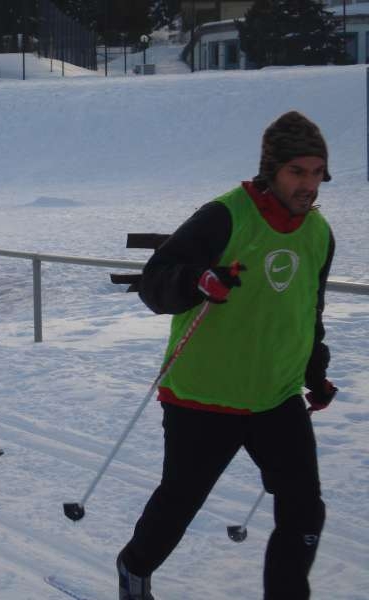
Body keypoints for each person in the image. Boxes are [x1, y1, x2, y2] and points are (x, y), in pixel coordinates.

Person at [116, 111, 338, 600]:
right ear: (271, 170)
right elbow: (155, 284)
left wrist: (314, 373)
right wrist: (197, 282)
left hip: (276, 396)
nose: (308, 185)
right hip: (204, 395)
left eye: (316, 172)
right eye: (296, 172)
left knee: (304, 510)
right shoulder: (224, 215)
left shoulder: (319, 234)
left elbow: (307, 312)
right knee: (181, 501)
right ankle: (134, 567)